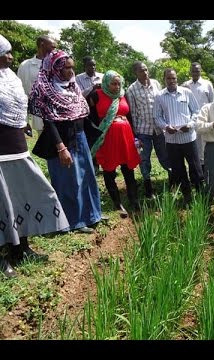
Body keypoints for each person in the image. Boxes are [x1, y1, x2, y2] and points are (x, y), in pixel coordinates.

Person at [0, 35, 68, 278]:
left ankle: (22, 248)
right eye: (6, 52)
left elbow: (22, 105)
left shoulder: (12, 78)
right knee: (1, 202)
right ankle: (3, 258)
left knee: (22, 194)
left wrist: (25, 122)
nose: (11, 56)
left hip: (17, 145)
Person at [28, 49, 103, 234]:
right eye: (67, 68)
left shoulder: (72, 86)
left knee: (86, 177)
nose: (71, 72)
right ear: (56, 69)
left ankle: (92, 215)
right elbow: (49, 122)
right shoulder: (46, 90)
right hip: (62, 142)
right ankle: (73, 221)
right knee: (69, 182)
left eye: (72, 68)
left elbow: (82, 114)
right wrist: (61, 148)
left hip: (80, 138)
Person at [87, 70, 141, 217]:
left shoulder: (123, 96)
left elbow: (129, 117)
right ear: (106, 83)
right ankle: (118, 204)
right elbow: (90, 117)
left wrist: (135, 137)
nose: (116, 87)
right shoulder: (96, 95)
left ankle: (134, 200)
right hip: (107, 138)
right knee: (109, 170)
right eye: (113, 84)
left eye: (118, 83)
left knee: (128, 169)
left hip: (125, 137)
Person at [153, 68, 202, 205]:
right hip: (172, 140)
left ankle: (200, 193)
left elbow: (196, 111)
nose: (171, 81)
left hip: (188, 138)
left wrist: (191, 124)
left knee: (195, 167)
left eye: (173, 78)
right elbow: (157, 117)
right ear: (164, 79)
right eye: (168, 78)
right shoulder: (159, 96)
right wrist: (165, 127)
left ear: (177, 79)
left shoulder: (186, 92)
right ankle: (187, 196)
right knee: (179, 169)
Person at [126, 61, 172, 199]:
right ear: (136, 73)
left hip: (159, 129)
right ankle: (148, 188)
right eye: (141, 71)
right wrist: (135, 135)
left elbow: (162, 106)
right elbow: (133, 113)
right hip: (143, 131)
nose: (145, 73)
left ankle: (173, 181)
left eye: (146, 70)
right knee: (144, 159)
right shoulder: (132, 90)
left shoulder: (156, 84)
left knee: (165, 155)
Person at [17, 35, 57, 136]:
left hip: (60, 114)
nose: (55, 49)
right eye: (52, 46)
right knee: (45, 148)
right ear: (42, 45)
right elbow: (21, 95)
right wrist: (24, 120)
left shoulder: (58, 64)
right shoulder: (25, 66)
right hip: (40, 117)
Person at [182, 62, 214, 176]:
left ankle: (208, 174)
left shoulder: (207, 84)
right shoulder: (185, 85)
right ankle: (197, 175)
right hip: (191, 122)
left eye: (197, 71)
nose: (195, 73)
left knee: (205, 148)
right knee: (194, 150)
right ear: (190, 72)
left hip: (205, 121)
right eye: (193, 71)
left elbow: (213, 103)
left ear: (201, 71)